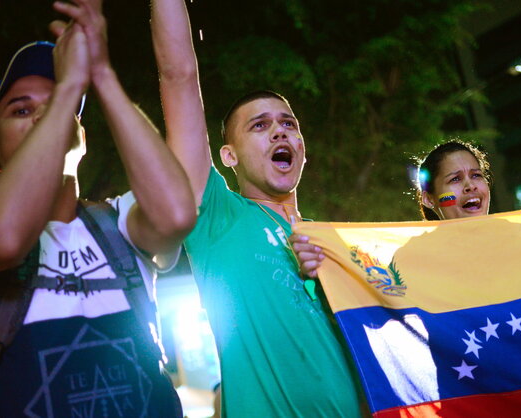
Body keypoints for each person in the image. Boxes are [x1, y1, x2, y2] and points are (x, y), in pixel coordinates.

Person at [0, 0, 197, 415]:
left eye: (56, 109)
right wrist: (69, 89)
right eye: (21, 109)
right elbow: (1, 240)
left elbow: (178, 216)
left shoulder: (118, 223)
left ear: (81, 138)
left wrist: (102, 74)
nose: (42, 118)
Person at [150, 0, 363, 416]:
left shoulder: (337, 245)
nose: (279, 131)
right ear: (228, 156)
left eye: (288, 124)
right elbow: (178, 77)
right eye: (259, 125)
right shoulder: (216, 216)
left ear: (303, 149)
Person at [294, 139, 492, 277]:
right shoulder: (412, 259)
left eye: (476, 175)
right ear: (429, 199)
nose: (470, 186)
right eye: (455, 179)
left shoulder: (520, 237)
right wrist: (324, 269)